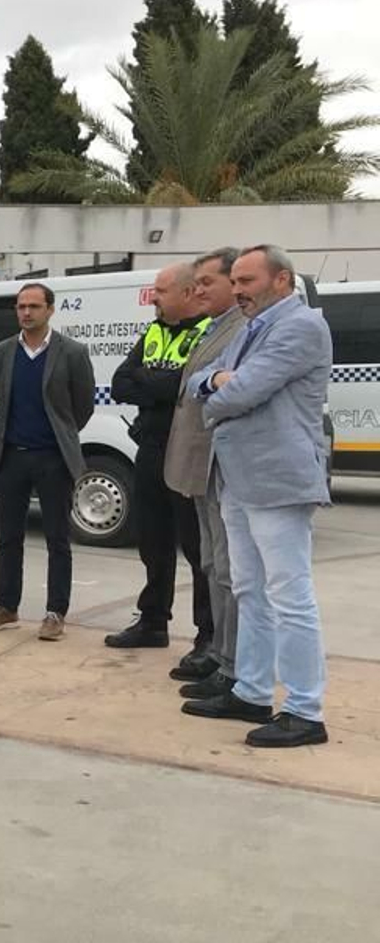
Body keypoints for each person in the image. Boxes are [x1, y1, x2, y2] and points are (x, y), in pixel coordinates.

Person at [181, 245, 332, 748]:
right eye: (237, 280)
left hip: (278, 479)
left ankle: (305, 709)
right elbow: (198, 380)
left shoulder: (301, 326)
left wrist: (219, 389)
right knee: (249, 588)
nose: (238, 290)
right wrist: (219, 382)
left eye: (246, 280)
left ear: (282, 280)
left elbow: (242, 392)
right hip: (238, 478)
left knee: (290, 595)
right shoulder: (249, 327)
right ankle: (251, 690)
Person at [0, 283, 95, 641]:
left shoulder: (71, 352)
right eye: (21, 306)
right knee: (8, 537)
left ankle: (55, 612)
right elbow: (1, 397)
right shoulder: (1, 352)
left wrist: (60, 437)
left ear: (50, 310)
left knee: (57, 537)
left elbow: (81, 406)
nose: (27, 312)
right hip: (12, 456)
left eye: (34, 306)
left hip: (52, 458)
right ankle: (6, 606)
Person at [105, 262, 212, 652]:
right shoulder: (152, 331)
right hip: (149, 447)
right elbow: (120, 383)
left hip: (186, 449)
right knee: (153, 540)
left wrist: (151, 384)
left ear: (186, 293)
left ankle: (208, 633)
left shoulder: (207, 332)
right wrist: (161, 386)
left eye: (161, 291)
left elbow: (184, 388)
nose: (154, 297)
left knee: (196, 545)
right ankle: (153, 622)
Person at [163, 249, 245, 699]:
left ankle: (232, 663)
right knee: (211, 564)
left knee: (228, 570)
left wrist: (208, 382)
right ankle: (219, 652)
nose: (197, 291)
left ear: (234, 283)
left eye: (206, 283)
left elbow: (224, 386)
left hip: (218, 463)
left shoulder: (240, 328)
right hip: (196, 464)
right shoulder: (211, 327)